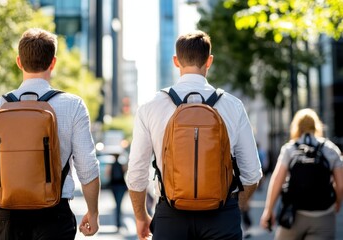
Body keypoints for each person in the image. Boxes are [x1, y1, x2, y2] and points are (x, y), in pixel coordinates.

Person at [0, 28, 100, 240]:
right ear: (53, 62)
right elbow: (88, 167)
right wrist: (93, 213)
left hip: (8, 215)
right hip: (54, 213)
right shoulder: (73, 106)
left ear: (19, 62)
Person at [126, 30, 263, 240]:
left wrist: (141, 217)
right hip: (221, 216)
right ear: (209, 61)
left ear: (176, 61)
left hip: (170, 216)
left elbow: (136, 174)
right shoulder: (233, 106)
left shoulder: (150, 106)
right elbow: (252, 173)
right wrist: (233, 206)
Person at [260, 108, 343, 239]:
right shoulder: (331, 149)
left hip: (293, 216)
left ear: (296, 127)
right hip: (324, 216)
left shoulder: (290, 149)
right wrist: (337, 203)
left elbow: (277, 180)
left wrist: (268, 210)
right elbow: (341, 185)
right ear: (316, 126)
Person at [105, 153, 128, 230]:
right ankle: (118, 222)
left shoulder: (111, 165)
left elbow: (107, 175)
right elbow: (125, 173)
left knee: (117, 204)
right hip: (121, 186)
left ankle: (118, 222)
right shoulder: (122, 165)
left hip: (114, 186)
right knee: (119, 204)